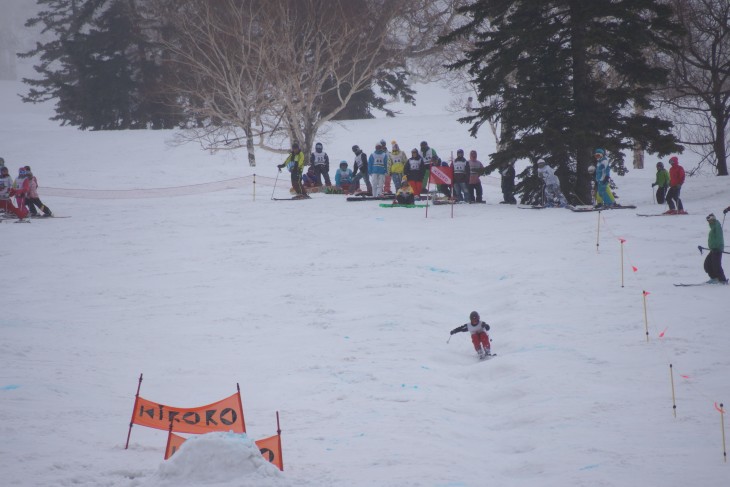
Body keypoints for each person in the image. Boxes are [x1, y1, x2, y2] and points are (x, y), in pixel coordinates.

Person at [704, 213, 727, 284]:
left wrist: (718, 247)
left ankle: (723, 280)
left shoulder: (717, 226)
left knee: (716, 266)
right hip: (713, 249)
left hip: (717, 249)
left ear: (713, 219)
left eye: (710, 220)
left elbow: (719, 238)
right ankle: (715, 278)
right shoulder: (713, 227)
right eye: (708, 221)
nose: (709, 222)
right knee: (707, 264)